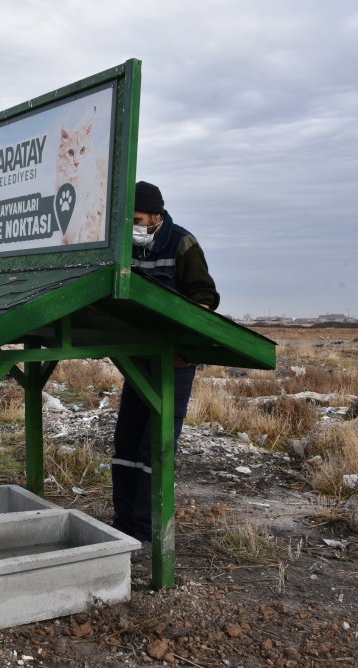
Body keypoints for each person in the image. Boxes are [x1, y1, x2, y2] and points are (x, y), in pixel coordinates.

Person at [112, 181, 220, 544]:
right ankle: (123, 524)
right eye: (129, 220)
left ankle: (147, 533)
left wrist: (183, 344)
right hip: (137, 363)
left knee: (152, 449)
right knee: (126, 444)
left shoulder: (183, 243)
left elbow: (205, 298)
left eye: (139, 219)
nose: (134, 227)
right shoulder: (125, 243)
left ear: (157, 215)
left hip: (172, 365)